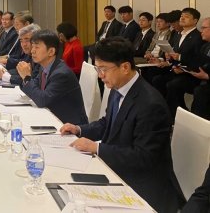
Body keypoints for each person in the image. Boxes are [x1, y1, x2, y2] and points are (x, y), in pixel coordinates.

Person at [60, 37, 180, 213]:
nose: (100, 75)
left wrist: (97, 148)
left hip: (142, 185)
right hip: (117, 168)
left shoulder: (150, 104)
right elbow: (107, 123)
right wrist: (79, 129)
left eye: (103, 69)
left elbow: (143, 157)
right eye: (97, 69)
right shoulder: (119, 88)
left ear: (125, 67)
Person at [13, 29, 88, 125]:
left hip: (69, 125)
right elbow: (36, 86)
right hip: (52, 116)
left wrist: (27, 78)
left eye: (37, 47)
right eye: (33, 46)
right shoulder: (44, 66)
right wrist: (25, 78)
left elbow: (42, 100)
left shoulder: (61, 74)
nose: (32, 51)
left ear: (51, 51)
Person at [191, 18, 210, 120]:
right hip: (202, 79)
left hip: (206, 80)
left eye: (204, 28)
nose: (201, 31)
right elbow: (199, 63)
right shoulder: (205, 46)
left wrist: (207, 76)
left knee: (200, 91)